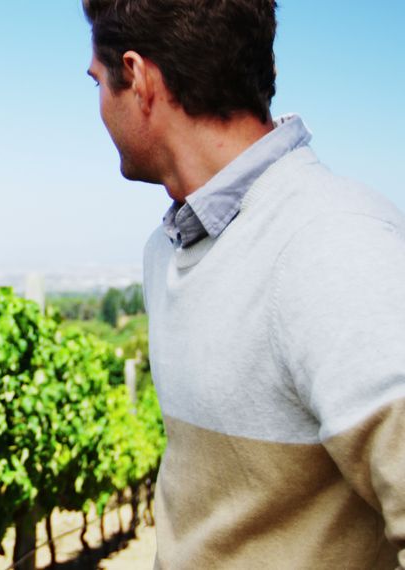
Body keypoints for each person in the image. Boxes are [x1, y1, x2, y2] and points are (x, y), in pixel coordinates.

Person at [82, 0, 405, 567]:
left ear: (137, 77)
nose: (99, 108)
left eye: (97, 82)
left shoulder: (332, 243)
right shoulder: (169, 249)